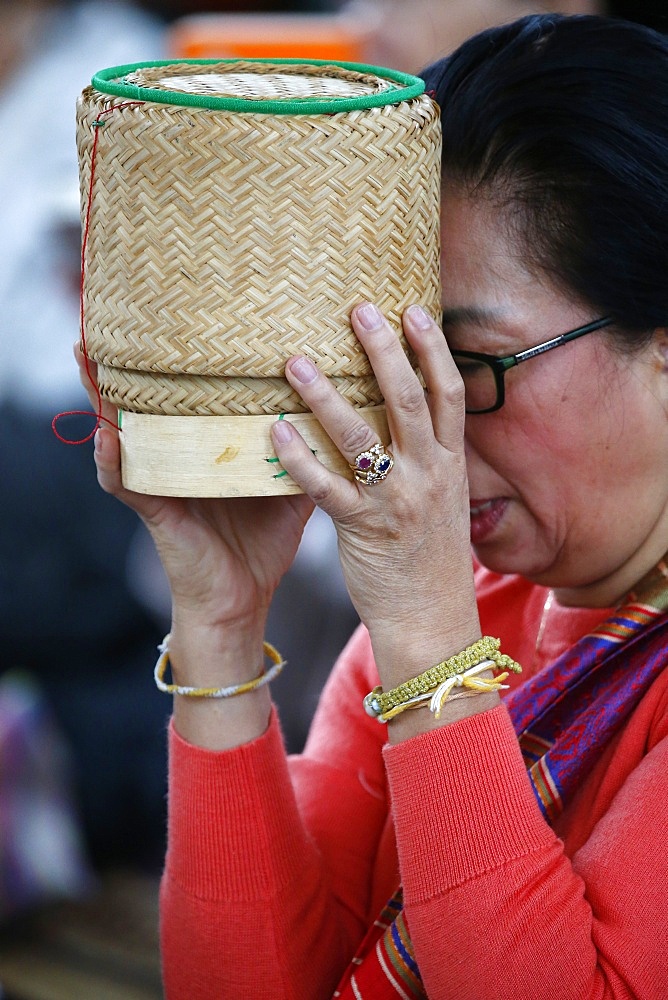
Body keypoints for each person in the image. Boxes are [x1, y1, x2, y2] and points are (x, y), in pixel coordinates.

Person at [77, 13, 668, 998]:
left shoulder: (436, 620)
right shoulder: (462, 604)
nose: (412, 433)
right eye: (384, 370)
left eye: (464, 366)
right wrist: (219, 630)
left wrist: (429, 640)